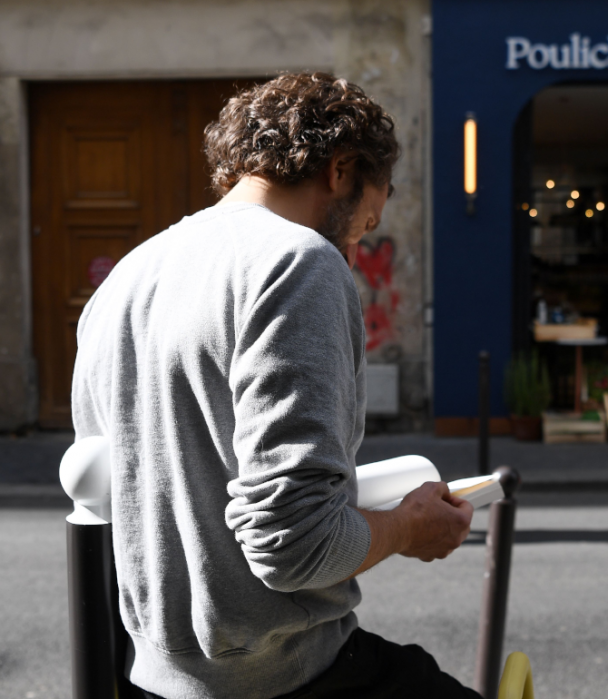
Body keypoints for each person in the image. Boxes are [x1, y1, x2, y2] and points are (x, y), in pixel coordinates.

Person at [71, 73, 479, 699]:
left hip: (157, 677)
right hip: (285, 677)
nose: (353, 247)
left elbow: (136, 481)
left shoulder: (128, 277)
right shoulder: (298, 261)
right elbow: (295, 545)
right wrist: (407, 527)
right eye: (364, 225)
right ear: (342, 168)